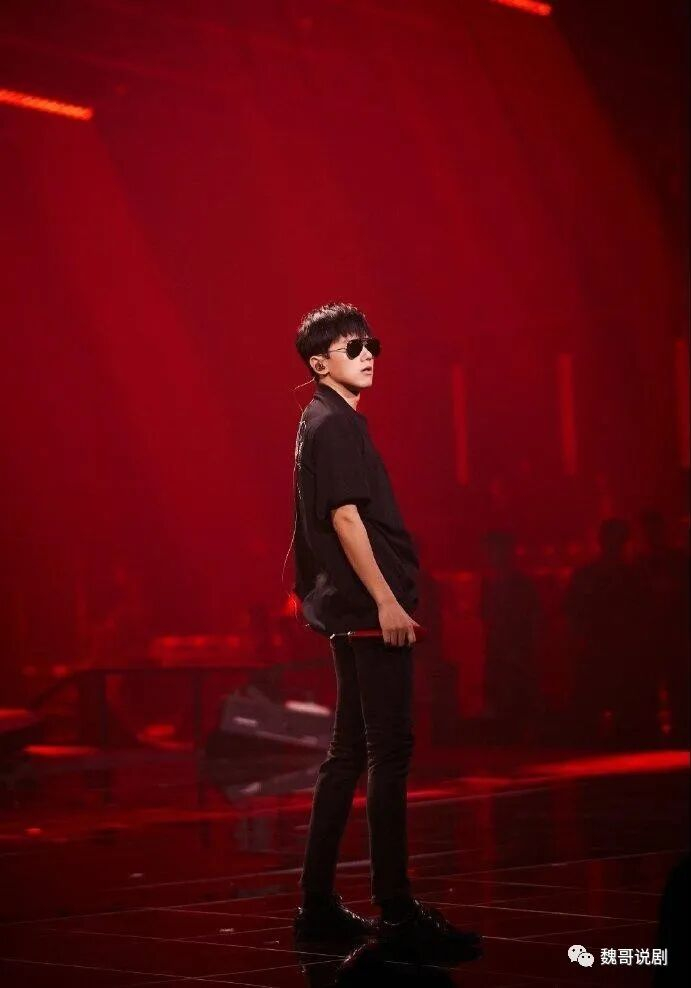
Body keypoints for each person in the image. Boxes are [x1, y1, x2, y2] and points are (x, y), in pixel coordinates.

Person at [290, 302, 481, 956]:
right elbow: (344, 518)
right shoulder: (334, 424)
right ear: (320, 364)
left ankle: (317, 905)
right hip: (368, 610)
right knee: (388, 751)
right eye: (352, 347)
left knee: (348, 753)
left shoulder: (320, 420)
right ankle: (396, 909)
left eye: (370, 343)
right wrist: (386, 602)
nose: (368, 353)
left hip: (349, 609)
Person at [480, 530, 541, 743]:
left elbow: (532, 618)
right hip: (500, 646)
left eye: (494, 551)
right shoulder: (491, 585)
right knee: (500, 691)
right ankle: (506, 734)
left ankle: (515, 734)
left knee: (515, 691)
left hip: (517, 647)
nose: (491, 556)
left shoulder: (520, 585)